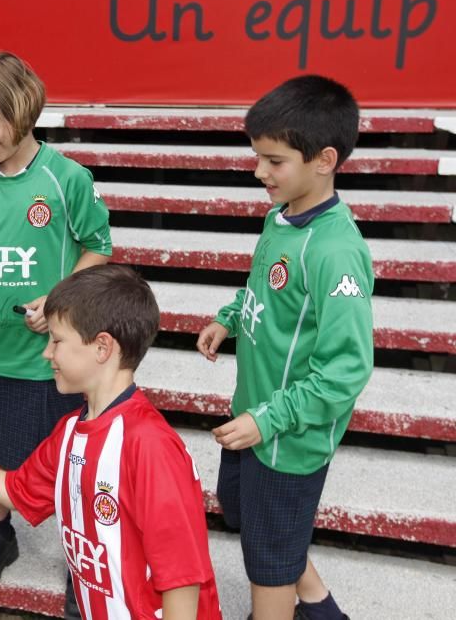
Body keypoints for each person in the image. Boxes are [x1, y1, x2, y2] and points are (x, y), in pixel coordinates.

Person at [0, 264, 222, 620]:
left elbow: (181, 581)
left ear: (102, 347)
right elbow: (17, 490)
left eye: (57, 340)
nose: (47, 353)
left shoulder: (149, 445)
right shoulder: (69, 430)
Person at [0, 51, 112, 613]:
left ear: (23, 107)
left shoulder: (66, 179)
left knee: (60, 458)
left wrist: (57, 300)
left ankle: (76, 554)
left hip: (45, 358)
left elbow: (98, 249)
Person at [196, 75, 372, 620]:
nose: (259, 172)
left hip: (286, 440)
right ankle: (320, 606)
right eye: (257, 157)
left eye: (274, 161)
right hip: (254, 417)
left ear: (324, 159)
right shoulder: (281, 217)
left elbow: (346, 370)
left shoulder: (337, 253)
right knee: (250, 517)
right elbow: (264, 291)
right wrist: (230, 318)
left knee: (267, 561)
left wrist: (269, 420)